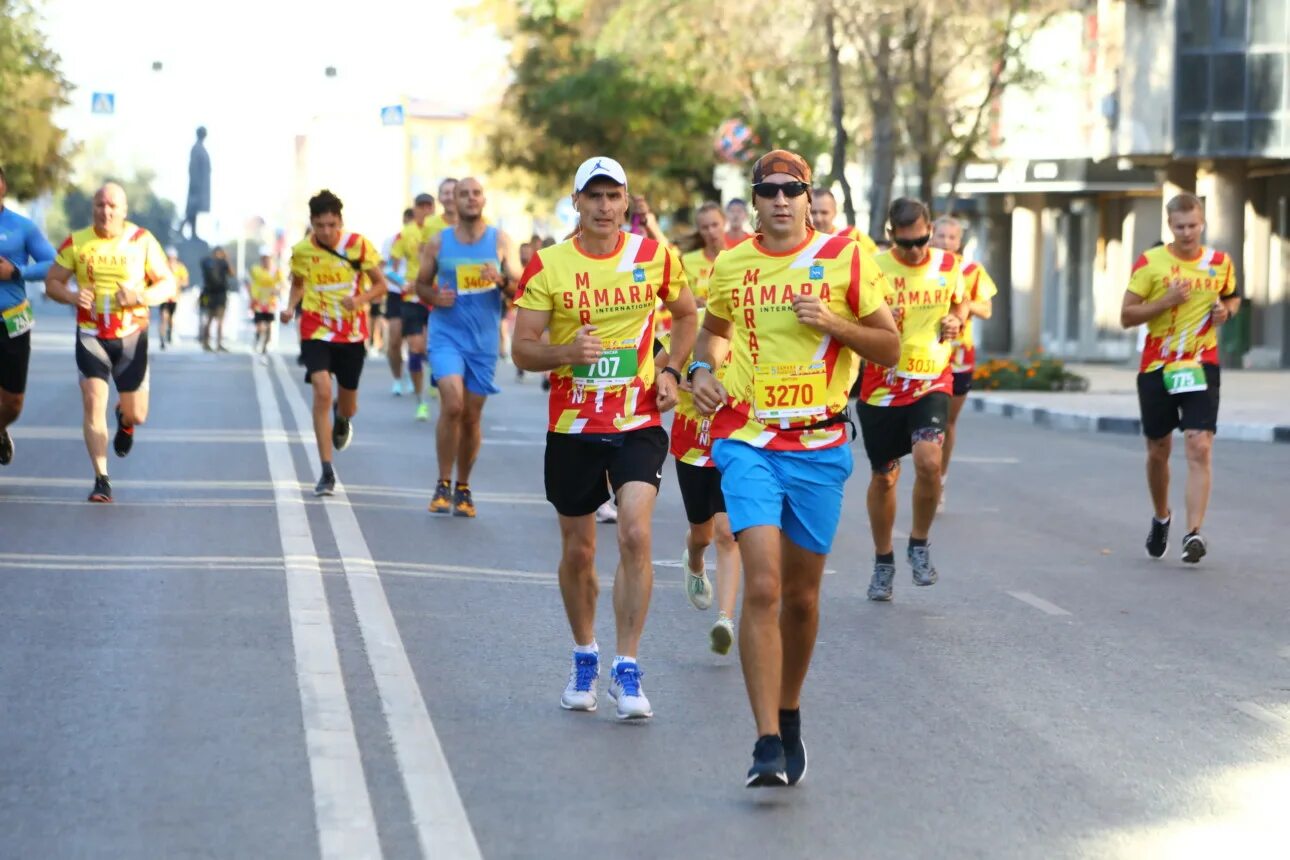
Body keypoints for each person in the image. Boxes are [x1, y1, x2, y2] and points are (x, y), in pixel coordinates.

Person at [690, 151, 899, 787]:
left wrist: (833, 321)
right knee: (761, 586)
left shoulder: (848, 256)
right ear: (754, 200)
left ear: (810, 198)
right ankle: (764, 742)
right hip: (747, 439)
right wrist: (701, 371)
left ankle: (789, 710)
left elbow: (888, 347)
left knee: (802, 600)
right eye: (768, 190)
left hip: (820, 445)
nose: (781, 199)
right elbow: (712, 334)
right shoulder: (732, 263)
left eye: (793, 190)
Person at [512, 156, 698, 721]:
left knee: (636, 534)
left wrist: (669, 372)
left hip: (637, 419)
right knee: (580, 549)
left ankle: (628, 667)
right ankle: (585, 655)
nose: (604, 206)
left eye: (613, 196)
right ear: (577, 203)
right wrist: (567, 353)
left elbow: (687, 317)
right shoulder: (548, 266)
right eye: (593, 196)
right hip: (573, 425)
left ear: (626, 202)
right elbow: (522, 348)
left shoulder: (653, 256)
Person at [1120, 192, 1239, 564]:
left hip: (1201, 363)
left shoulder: (1219, 262)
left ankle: (1194, 533)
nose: (1187, 233)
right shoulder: (1151, 262)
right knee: (1159, 451)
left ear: (1202, 223)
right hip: (1158, 366)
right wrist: (1166, 301)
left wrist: (1226, 312)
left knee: (1199, 444)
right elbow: (1126, 315)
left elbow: (1233, 297)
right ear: (1169, 226)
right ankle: (1161, 517)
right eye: (1179, 226)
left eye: (1193, 225)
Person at [859, 198, 968, 603]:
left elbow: (961, 302)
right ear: (892, 237)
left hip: (931, 379)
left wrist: (957, 318)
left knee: (928, 461)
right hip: (883, 385)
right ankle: (883, 559)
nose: (918, 249)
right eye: (907, 244)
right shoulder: (873, 268)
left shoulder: (946, 264)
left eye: (923, 238)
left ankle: (919, 542)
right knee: (885, 476)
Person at [44, 183, 175, 502]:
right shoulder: (77, 242)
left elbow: (168, 284)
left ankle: (125, 421)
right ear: (93, 208)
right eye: (100, 205)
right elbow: (52, 283)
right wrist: (73, 296)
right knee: (92, 398)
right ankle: (101, 478)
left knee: (137, 414)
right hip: (91, 334)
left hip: (131, 335)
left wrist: (139, 296)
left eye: (113, 206)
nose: (106, 211)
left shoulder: (140, 241)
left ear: (124, 210)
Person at [416, 178, 523, 517]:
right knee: (452, 404)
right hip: (447, 334)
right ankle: (442, 482)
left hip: (484, 341)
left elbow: (521, 288)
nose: (471, 199)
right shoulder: (438, 243)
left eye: (476, 193)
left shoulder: (500, 240)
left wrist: (501, 280)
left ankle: (463, 486)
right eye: (464, 194)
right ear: (454, 202)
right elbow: (420, 284)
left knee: (472, 416)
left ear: (483, 200)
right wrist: (435, 296)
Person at [280, 190, 388, 496]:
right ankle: (326, 471)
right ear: (312, 223)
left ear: (340, 221)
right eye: (319, 225)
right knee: (322, 391)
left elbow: (380, 285)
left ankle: (343, 418)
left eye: (331, 224)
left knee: (347, 403)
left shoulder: (357, 246)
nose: (326, 231)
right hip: (316, 328)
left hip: (352, 334)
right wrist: (290, 307)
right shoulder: (302, 251)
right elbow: (298, 285)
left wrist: (361, 299)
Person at [670, 201, 742, 653]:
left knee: (727, 531)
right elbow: (660, 365)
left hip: (732, 437)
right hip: (689, 437)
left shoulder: (753, 336)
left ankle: (725, 621)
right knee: (701, 533)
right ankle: (694, 562)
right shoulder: (685, 332)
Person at [929, 215, 996, 511]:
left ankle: (940, 478)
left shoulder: (971, 270)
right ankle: (926, 475)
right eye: (940, 236)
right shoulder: (924, 267)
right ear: (931, 236)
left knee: (948, 422)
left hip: (958, 355)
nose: (945, 242)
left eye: (951, 237)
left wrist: (967, 304)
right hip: (927, 354)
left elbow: (987, 309)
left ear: (960, 242)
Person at [0, 164, 56, 466]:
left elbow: (54, 264)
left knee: (13, 403)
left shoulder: (22, 227)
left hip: (12, 320)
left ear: (3, 186)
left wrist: (16, 271)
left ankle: (1, 429)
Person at [388, 199, 431, 398]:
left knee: (432, 346)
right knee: (408, 344)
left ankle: (435, 379)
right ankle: (404, 383)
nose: (425, 211)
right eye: (421, 207)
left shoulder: (443, 231)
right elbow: (389, 268)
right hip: (410, 296)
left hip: (437, 296)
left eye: (428, 207)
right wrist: (403, 283)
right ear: (415, 210)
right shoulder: (404, 234)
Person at [810, 187, 880, 257]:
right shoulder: (801, 241)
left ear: (835, 212)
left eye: (824, 212)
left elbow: (877, 261)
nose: (818, 219)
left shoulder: (854, 236)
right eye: (813, 212)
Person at [199, 246, 235, 352]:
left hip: (208, 294)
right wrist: (227, 259)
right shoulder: (223, 262)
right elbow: (232, 274)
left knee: (208, 319)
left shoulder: (206, 262)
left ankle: (206, 343)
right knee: (220, 321)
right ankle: (219, 343)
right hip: (220, 295)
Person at [247, 251, 281, 356]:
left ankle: (265, 346)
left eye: (268, 259)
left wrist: (277, 290)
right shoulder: (256, 270)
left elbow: (281, 284)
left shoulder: (276, 272)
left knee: (270, 325)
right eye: (264, 259)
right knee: (260, 325)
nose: (266, 261)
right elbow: (250, 283)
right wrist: (252, 296)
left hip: (271, 303)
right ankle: (258, 339)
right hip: (258, 302)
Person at [157, 248, 188, 349]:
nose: (171, 260)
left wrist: (178, 282)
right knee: (163, 318)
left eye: (173, 258)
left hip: (174, 297)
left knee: (171, 318)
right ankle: (162, 339)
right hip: (163, 297)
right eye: (169, 258)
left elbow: (186, 282)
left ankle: (169, 332)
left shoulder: (180, 267)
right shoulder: (162, 266)